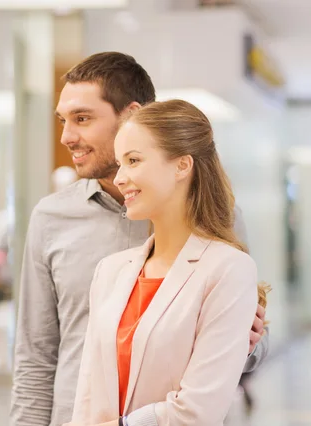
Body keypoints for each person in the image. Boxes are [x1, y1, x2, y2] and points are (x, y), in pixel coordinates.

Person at [10, 52, 269, 426]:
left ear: (131, 115)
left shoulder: (219, 226)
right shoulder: (52, 219)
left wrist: (239, 345)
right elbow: (35, 357)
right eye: (63, 120)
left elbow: (251, 347)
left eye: (82, 119)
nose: (67, 136)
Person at [66, 99, 268, 426]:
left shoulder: (227, 270)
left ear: (182, 166)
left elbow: (197, 412)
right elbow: (87, 398)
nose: (119, 178)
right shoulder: (111, 271)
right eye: (119, 163)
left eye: (133, 160)